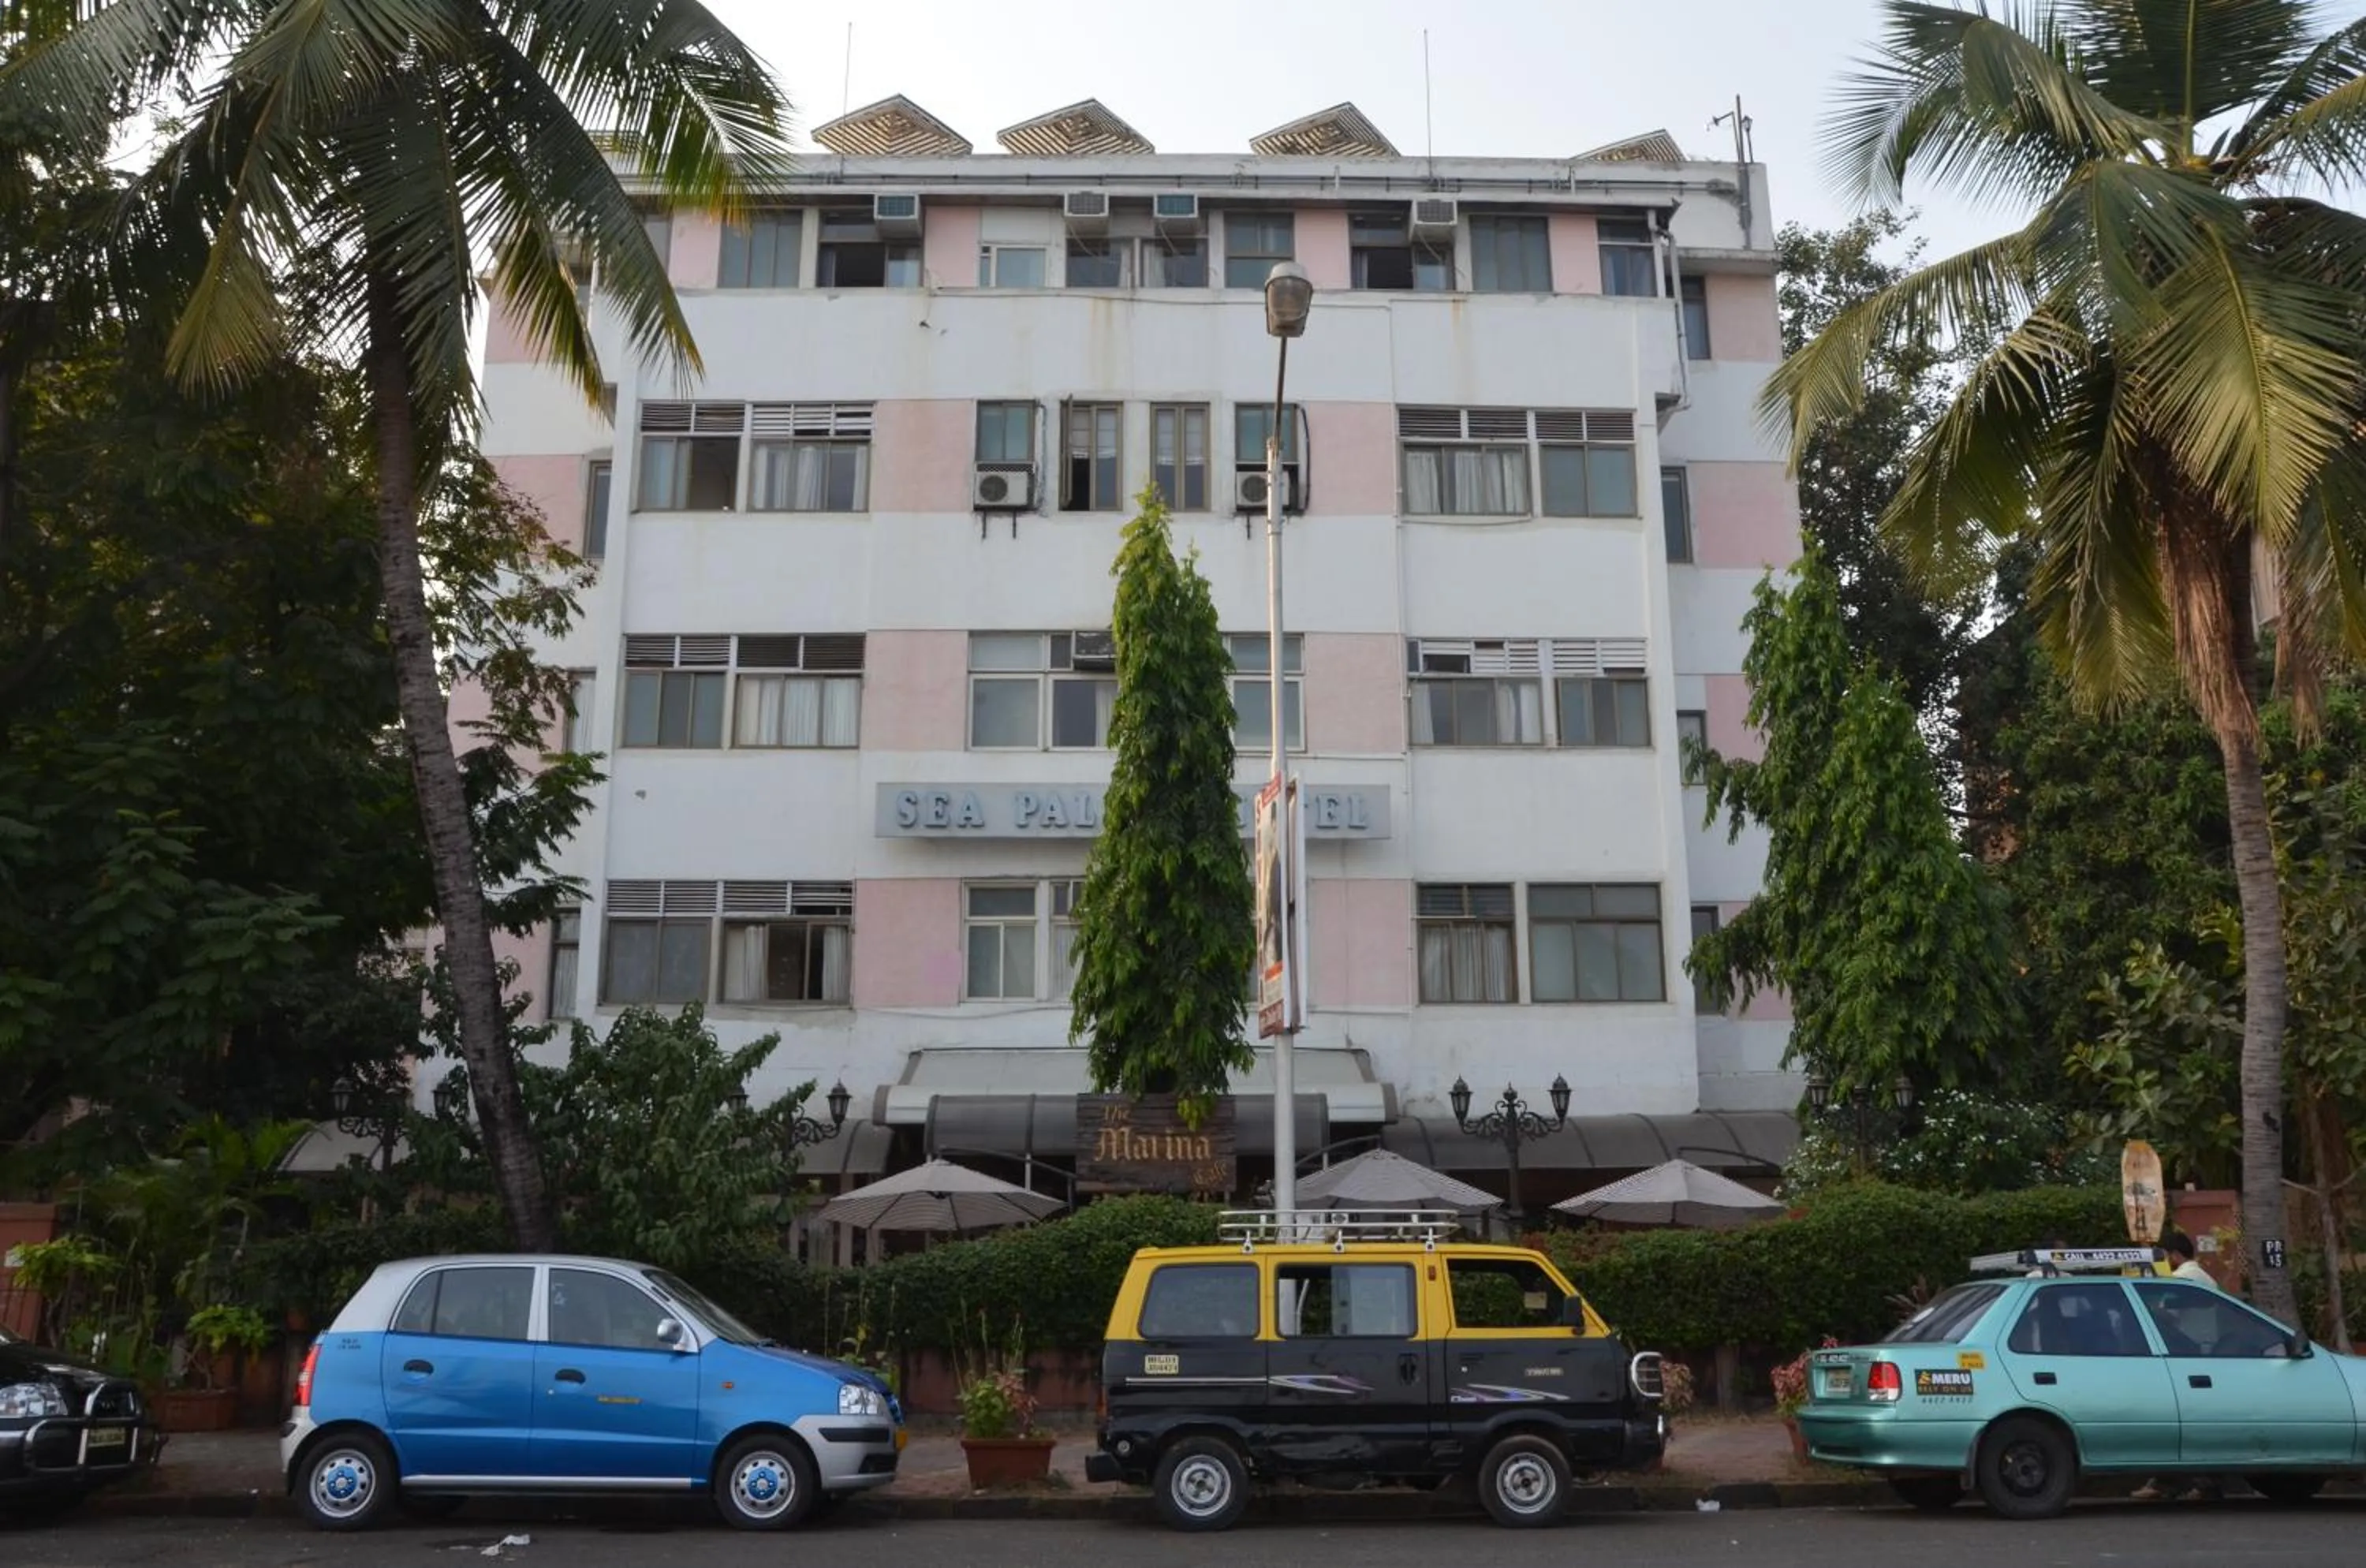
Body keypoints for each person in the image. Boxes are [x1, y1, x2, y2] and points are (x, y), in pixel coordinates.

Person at [2133, 1232, 2222, 1503]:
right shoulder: (2205, 1277)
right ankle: (2186, 1483)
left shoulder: (2185, 1279)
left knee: (2180, 1423)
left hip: (2188, 1356)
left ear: (2173, 1254)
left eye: (2165, 1255)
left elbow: (2166, 1316)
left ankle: (2173, 1482)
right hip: (2204, 1355)